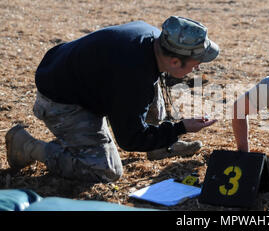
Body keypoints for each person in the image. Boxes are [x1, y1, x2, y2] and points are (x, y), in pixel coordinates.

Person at [5, 16, 219, 182]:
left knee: (150, 82)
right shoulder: (131, 77)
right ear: (174, 60)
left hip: (83, 79)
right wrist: (180, 128)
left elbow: (140, 83)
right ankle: (27, 145)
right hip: (63, 102)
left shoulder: (156, 41)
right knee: (105, 170)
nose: (198, 67)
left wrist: (167, 132)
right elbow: (130, 139)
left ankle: (159, 146)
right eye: (196, 61)